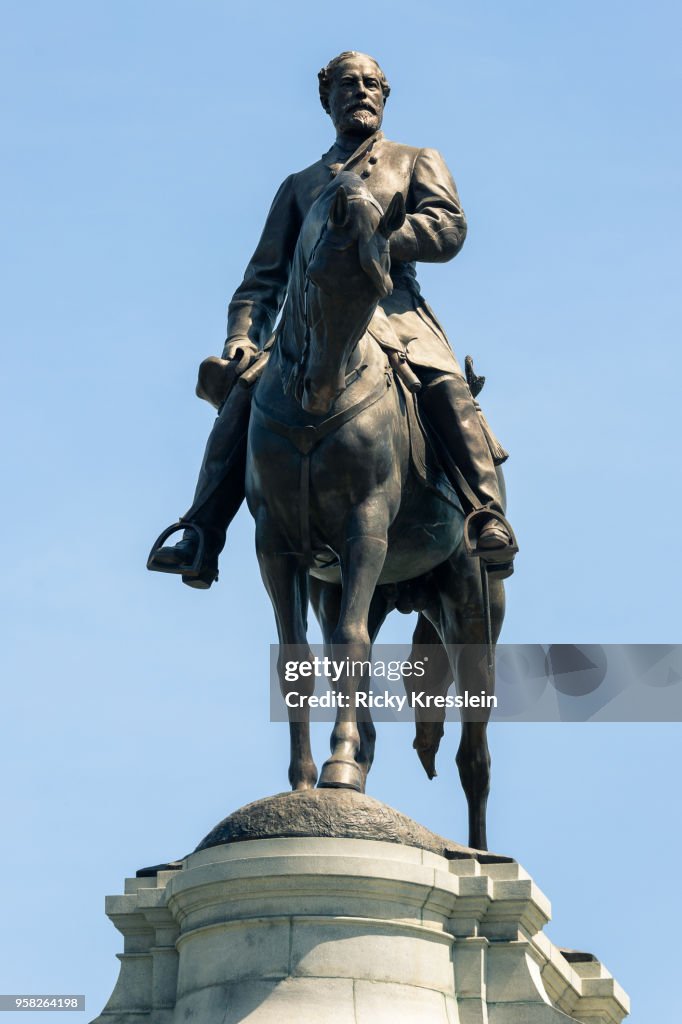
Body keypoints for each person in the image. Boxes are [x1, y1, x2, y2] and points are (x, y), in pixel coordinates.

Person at [148, 51, 515, 589]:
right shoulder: (299, 185)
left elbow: (448, 226)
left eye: (371, 84)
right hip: (309, 318)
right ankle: (202, 531)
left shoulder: (414, 159)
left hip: (394, 310)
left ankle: (484, 512)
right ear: (328, 99)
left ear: (384, 95)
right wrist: (241, 339)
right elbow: (262, 278)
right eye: (348, 84)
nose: (361, 92)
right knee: (246, 394)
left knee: (445, 384)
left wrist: (384, 236)